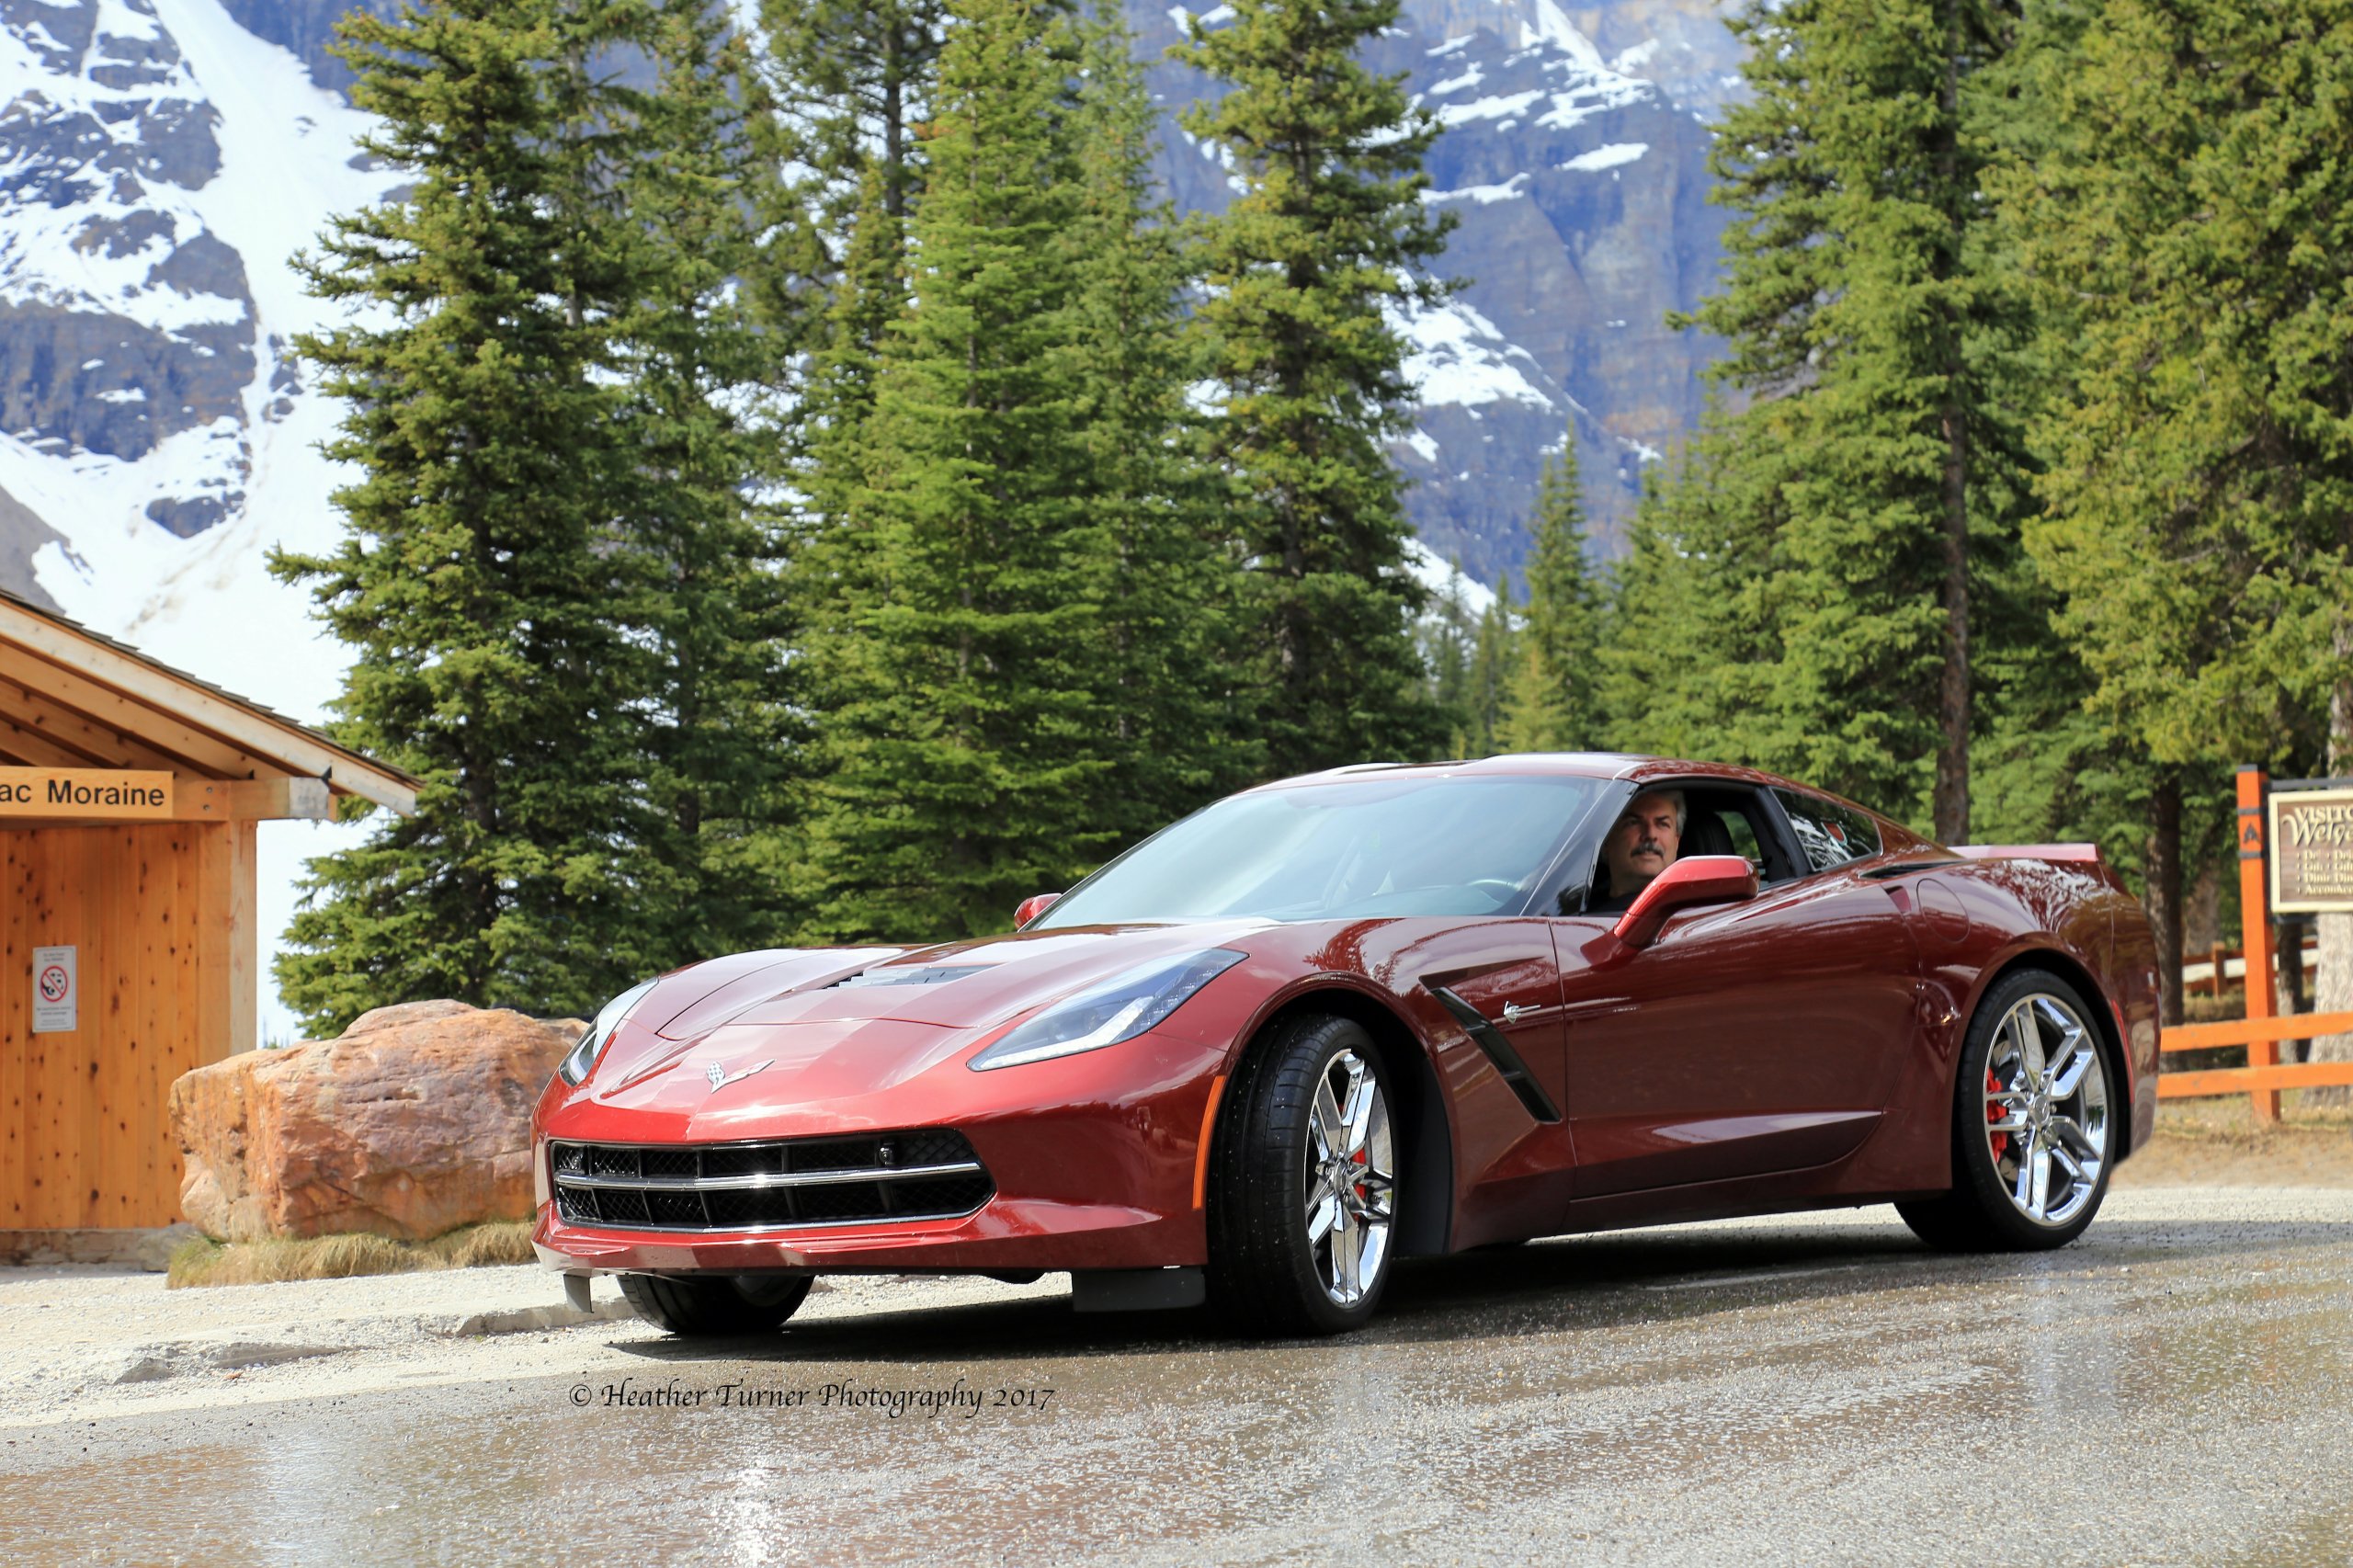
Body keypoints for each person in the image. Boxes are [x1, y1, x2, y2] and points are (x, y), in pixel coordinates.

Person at [1585, 788, 1682, 915]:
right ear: (1606, 840)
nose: (1650, 834)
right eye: (1634, 823)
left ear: (1677, 842)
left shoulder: (1690, 912)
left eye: (1663, 824)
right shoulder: (1577, 904)